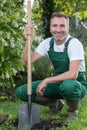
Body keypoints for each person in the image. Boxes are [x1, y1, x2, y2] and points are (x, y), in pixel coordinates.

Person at [16, 13, 87, 122]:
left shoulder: (74, 44)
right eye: (55, 26)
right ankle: (55, 104)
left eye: (62, 26)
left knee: (68, 85)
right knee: (22, 92)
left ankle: (72, 111)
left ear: (68, 28)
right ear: (50, 28)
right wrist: (28, 40)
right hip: (56, 82)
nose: (58, 29)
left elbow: (73, 74)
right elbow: (26, 61)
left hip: (76, 83)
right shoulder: (48, 43)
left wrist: (47, 80)